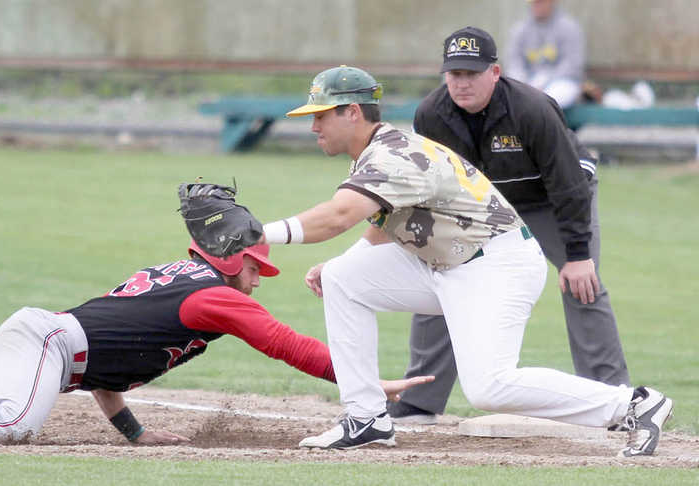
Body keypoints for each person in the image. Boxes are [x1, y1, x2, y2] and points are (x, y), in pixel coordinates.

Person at [258, 64, 671, 456]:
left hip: (496, 266)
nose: (313, 126)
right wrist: (341, 262)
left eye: (321, 115)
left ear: (351, 113)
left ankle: (633, 404)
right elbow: (382, 221)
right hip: (447, 265)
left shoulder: (394, 156)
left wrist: (259, 234)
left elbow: (338, 216)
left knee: (488, 388)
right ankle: (366, 418)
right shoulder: (378, 151)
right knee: (342, 279)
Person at [0, 241, 432, 444]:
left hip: (38, 337)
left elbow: (114, 367)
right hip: (49, 346)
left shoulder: (182, 281)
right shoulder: (215, 295)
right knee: (8, 424)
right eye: (256, 266)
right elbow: (286, 345)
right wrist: (363, 380)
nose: (259, 280)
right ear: (230, 258)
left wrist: (130, 432)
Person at [389, 26, 630, 426]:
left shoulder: (532, 108)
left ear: (495, 72)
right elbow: (430, 187)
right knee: (443, 277)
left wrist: (577, 255)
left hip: (550, 198)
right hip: (481, 207)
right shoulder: (430, 114)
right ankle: (420, 402)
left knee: (582, 285)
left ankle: (616, 401)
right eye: (454, 74)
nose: (462, 83)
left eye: (472, 73)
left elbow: (569, 184)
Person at [505, 0, 585, 109]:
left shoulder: (569, 27)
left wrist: (543, 82)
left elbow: (572, 65)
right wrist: (524, 84)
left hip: (560, 82)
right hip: (527, 83)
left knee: (554, 96)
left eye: (541, 2)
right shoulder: (520, 29)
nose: (537, 5)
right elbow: (514, 63)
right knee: (513, 95)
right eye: (534, 2)